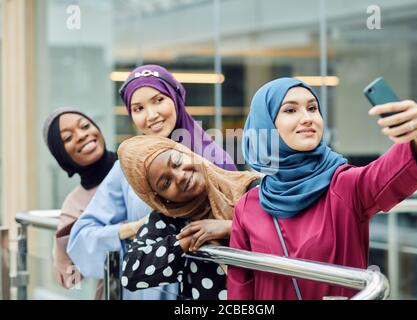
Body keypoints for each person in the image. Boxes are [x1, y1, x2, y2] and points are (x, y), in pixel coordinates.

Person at [227, 77, 417, 300]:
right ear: (266, 124)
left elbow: (391, 172)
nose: (307, 118)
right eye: (290, 110)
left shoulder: (344, 186)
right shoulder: (248, 206)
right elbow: (240, 290)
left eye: (312, 108)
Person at [67, 65, 237, 300]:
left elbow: (248, 230)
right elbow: (81, 238)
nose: (151, 115)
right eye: (138, 108)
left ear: (176, 97)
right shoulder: (126, 171)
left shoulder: (216, 160)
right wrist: (134, 228)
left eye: (158, 100)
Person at [117, 135, 260, 300]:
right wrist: (190, 238)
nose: (180, 177)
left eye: (177, 161)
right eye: (165, 183)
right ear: (160, 198)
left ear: (186, 152)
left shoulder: (251, 190)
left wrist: (229, 228)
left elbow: (285, 237)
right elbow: (131, 273)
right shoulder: (171, 219)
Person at [43, 107, 117, 299]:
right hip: (114, 292)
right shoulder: (74, 204)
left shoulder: (137, 165)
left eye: (85, 126)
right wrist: (64, 245)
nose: (82, 135)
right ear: (62, 156)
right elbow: (71, 281)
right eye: (67, 138)